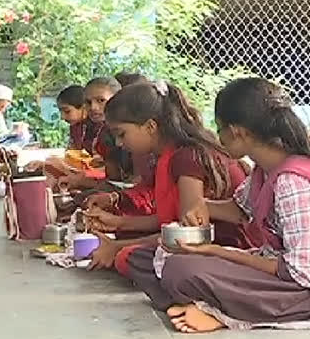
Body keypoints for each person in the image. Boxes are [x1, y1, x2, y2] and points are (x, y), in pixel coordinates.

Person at [136, 78, 310, 333]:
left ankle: (219, 312)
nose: (219, 138)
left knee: (182, 268)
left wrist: (216, 252)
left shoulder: (294, 181)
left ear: (238, 132)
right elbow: (240, 210)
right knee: (149, 257)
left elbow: (302, 274)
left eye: (220, 129)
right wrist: (203, 206)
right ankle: (206, 300)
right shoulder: (265, 168)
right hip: (279, 267)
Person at [87, 80, 253, 272]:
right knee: (128, 245)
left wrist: (117, 247)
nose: (118, 143)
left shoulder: (186, 158)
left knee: (130, 257)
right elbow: (172, 219)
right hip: (198, 241)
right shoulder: (168, 155)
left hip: (229, 248)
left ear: (150, 126)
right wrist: (119, 223)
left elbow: (188, 235)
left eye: (122, 134)